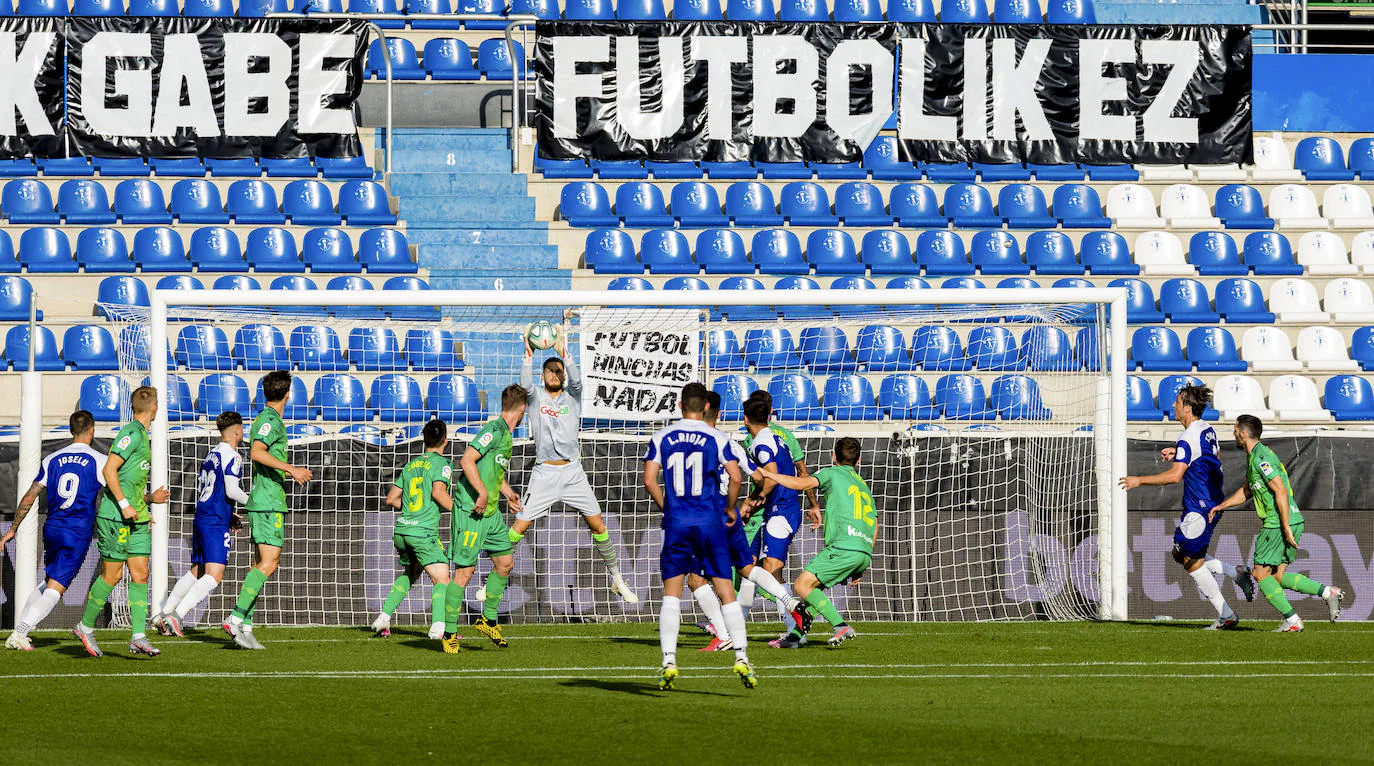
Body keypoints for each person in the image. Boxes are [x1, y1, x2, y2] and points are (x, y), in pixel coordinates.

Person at [500, 325, 636, 604]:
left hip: (573, 471)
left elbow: (576, 380)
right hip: (545, 472)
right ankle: (493, 579)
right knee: (518, 527)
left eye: (558, 371)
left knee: (598, 525)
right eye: (550, 370)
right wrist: (529, 350)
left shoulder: (572, 398)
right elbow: (524, 385)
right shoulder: (535, 397)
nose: (555, 374)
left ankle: (616, 578)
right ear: (543, 375)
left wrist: (564, 351)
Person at [644, 382, 757, 691]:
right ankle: (742, 658)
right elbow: (736, 477)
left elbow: (649, 479)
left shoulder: (662, 436)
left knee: (672, 592)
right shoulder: (717, 437)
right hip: (710, 522)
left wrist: (668, 507)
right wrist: (731, 509)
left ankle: (669, 661)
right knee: (724, 588)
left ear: (680, 406)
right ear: (706, 408)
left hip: (678, 522)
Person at [1119, 385, 1253, 630]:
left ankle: (1227, 614)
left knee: (1191, 562)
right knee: (1180, 554)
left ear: (1188, 408)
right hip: (1208, 501)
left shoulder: (1188, 436)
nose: (1173, 406)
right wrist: (1181, 453)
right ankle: (1236, 573)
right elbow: (1215, 458)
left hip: (1200, 507)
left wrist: (1139, 480)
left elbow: (1175, 476)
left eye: (1178, 402)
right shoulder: (1206, 430)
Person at [688, 393, 804, 653]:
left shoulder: (686, 443)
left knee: (696, 579)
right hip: (729, 516)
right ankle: (792, 604)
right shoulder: (731, 443)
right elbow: (759, 475)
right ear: (718, 415)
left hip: (707, 517)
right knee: (747, 568)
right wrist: (746, 501)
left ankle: (723, 633)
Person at [1208, 415, 1344, 632]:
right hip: (1290, 520)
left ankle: (1293, 621)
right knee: (1277, 577)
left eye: (1235, 430)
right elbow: (1246, 491)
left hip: (1278, 523)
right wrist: (1221, 506)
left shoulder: (1262, 457)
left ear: (1243, 433)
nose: (1233, 434)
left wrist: (1285, 526)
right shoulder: (1254, 457)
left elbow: (1279, 489)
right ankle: (1328, 592)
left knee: (1260, 574)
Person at [74, 387, 171, 657]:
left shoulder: (142, 435)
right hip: (116, 516)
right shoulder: (130, 433)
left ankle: (138, 636)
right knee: (113, 575)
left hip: (137, 516)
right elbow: (109, 470)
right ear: (156, 407)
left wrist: (146, 502)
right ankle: (84, 627)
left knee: (141, 574)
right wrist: (126, 505)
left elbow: (130, 479)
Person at [224, 371, 313, 649]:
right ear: (288, 394)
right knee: (270, 563)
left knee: (260, 565)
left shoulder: (269, 419)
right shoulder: (270, 420)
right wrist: (292, 469)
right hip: (268, 501)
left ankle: (245, 627)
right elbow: (257, 452)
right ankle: (235, 617)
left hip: (267, 499)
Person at [3, 411, 105, 651]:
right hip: (76, 530)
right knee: (56, 588)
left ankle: (20, 629)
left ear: (71, 431)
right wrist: (149, 499)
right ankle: (20, 633)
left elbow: (30, 494)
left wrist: (13, 529)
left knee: (48, 581)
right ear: (92, 430)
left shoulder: (53, 459)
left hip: (53, 527)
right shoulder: (98, 460)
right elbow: (118, 491)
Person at [759, 437, 876, 648]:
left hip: (843, 546)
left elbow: (801, 483)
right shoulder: (863, 485)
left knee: (802, 585)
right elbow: (875, 523)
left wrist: (769, 474)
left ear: (833, 456)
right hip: (864, 550)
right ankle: (795, 635)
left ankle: (840, 625)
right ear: (858, 461)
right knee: (815, 588)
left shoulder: (831, 473)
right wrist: (863, 562)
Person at [443, 385, 528, 653]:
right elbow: (466, 460)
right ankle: (449, 633)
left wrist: (508, 493)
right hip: (471, 511)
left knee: (505, 563)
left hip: (490, 513)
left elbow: (493, 473)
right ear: (522, 409)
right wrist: (481, 492)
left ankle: (488, 619)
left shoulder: (507, 436)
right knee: (464, 573)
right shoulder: (494, 429)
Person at [154, 411, 247, 637]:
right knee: (213, 575)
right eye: (242, 429)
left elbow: (213, 490)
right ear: (236, 431)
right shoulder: (233, 456)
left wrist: (229, 513)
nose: (243, 432)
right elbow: (232, 490)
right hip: (214, 520)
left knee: (195, 571)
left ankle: (163, 614)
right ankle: (178, 616)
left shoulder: (210, 455)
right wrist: (256, 503)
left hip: (203, 515)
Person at [372, 419, 455, 642]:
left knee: (412, 573)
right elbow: (439, 493)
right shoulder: (443, 464)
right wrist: (460, 512)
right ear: (445, 441)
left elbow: (391, 499)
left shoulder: (411, 465)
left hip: (402, 530)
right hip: (422, 532)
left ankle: (384, 617)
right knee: (442, 580)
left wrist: (410, 511)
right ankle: (438, 628)